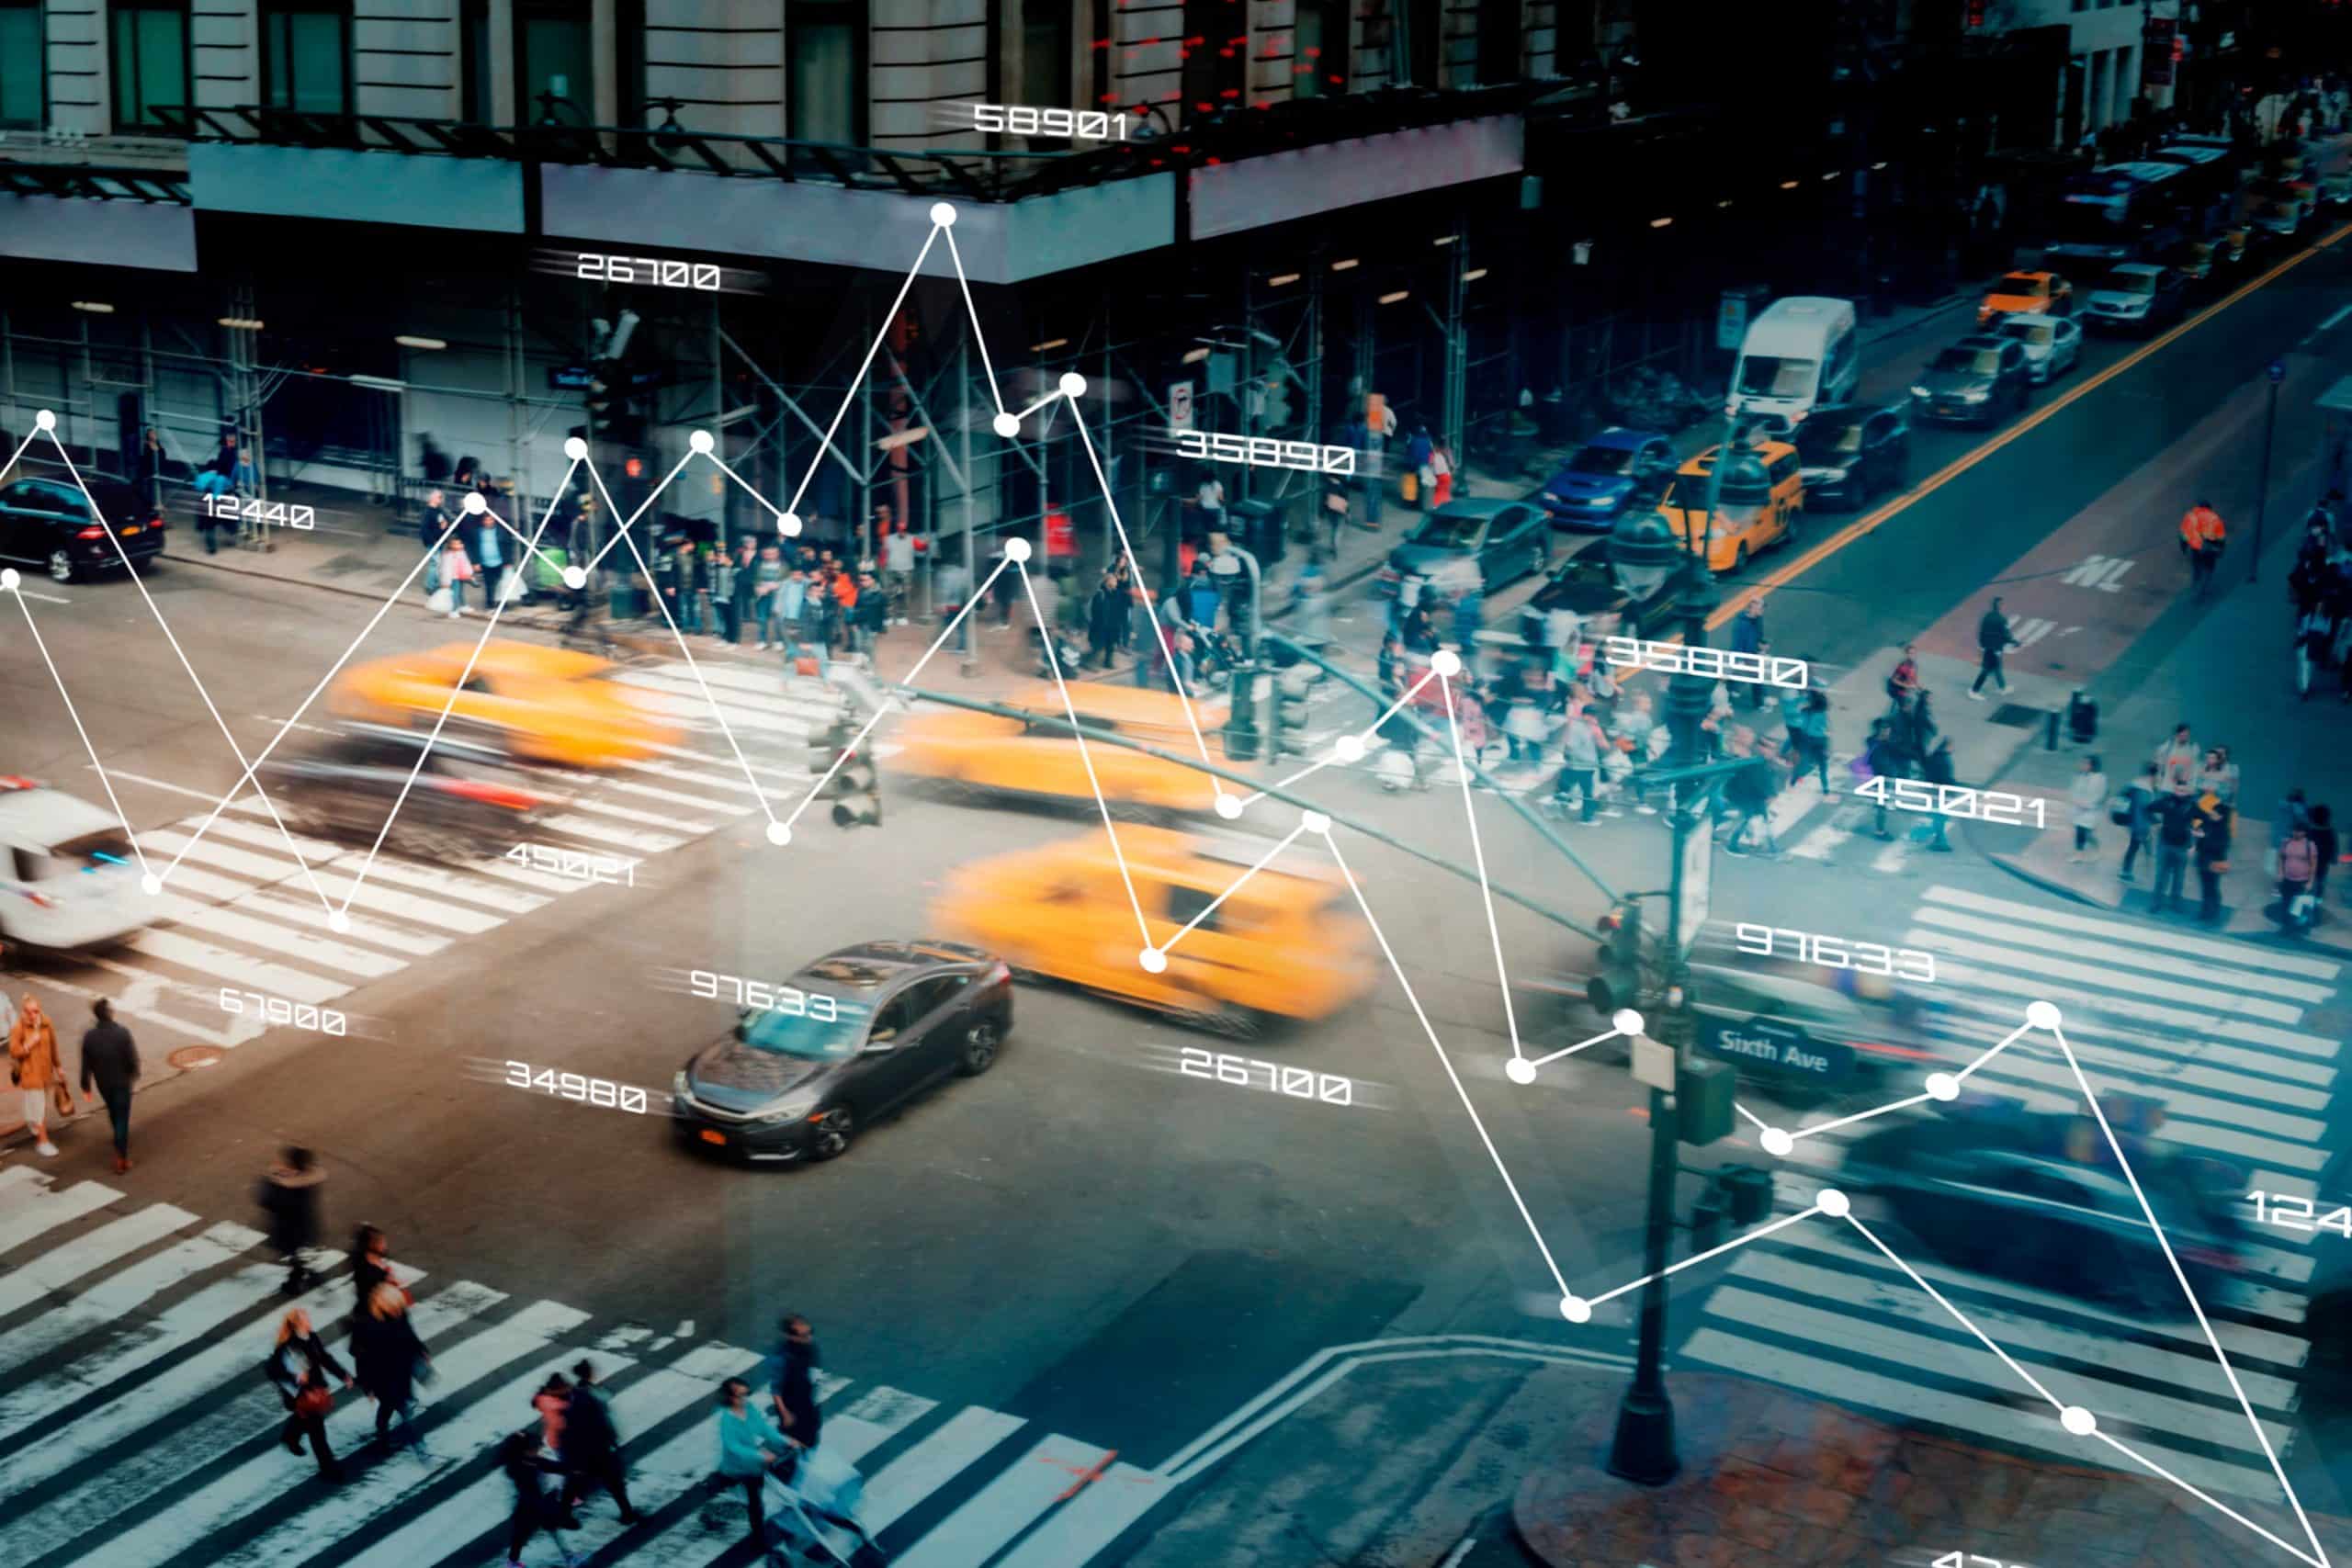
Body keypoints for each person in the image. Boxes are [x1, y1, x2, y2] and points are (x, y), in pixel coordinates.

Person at [268, 1306, 352, 1483]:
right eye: (306, 1319)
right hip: (301, 1393)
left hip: (315, 1389)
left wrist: (343, 1375)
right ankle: (328, 1468)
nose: (309, 1321)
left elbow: (324, 1358)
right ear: (297, 1324)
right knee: (317, 1431)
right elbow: (273, 1370)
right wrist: (295, 1377)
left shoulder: (312, 1337)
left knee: (304, 1418)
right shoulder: (288, 1347)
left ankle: (290, 1436)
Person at [715, 1375, 792, 1551]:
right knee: (754, 1501)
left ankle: (720, 1480)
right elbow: (733, 1447)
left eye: (746, 1394)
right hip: (739, 1464)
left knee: (755, 1497)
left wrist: (784, 1441)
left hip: (754, 1464)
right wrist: (760, 1456)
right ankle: (758, 1538)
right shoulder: (726, 1419)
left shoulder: (749, 1408)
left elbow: (764, 1429)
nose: (745, 1399)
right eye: (740, 1396)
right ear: (730, 1398)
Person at [560, 1359, 641, 1526]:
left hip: (587, 1448)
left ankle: (565, 1514)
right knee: (610, 1481)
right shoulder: (588, 1396)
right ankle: (627, 1513)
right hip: (595, 1447)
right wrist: (612, 1439)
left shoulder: (579, 1394)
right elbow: (600, 1422)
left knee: (579, 1482)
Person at [352, 1280, 431, 1451]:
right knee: (393, 1406)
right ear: (383, 1305)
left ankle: (392, 1432)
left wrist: (420, 1349)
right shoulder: (368, 1326)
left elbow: (409, 1333)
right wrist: (367, 1387)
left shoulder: (400, 1313)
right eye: (394, 1306)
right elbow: (362, 1359)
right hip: (383, 1377)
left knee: (399, 1404)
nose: (398, 1310)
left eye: (399, 1306)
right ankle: (411, 1442)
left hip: (402, 1369)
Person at [498, 1425, 576, 1568]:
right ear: (525, 1451)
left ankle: (513, 1562)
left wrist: (570, 1468)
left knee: (526, 1534)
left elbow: (550, 1466)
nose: (538, 1451)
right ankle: (569, 1557)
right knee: (523, 1534)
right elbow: (529, 1490)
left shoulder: (530, 1461)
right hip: (527, 1506)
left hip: (534, 1504)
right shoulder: (519, 1468)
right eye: (535, 1449)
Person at [77, 998, 139, 1173]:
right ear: (110, 1013)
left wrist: (86, 1087)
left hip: (103, 1083)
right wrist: (133, 1075)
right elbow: (131, 1059)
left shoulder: (89, 1037)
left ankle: (119, 1140)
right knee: (122, 1118)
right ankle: (121, 1157)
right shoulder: (122, 1033)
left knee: (113, 1112)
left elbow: (86, 1065)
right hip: (122, 1082)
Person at [260, 1147, 325, 1296]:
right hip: (305, 1226)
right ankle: (304, 1277)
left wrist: (275, 1180)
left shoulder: (287, 1187)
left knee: (294, 1256)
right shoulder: (309, 1181)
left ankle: (298, 1281)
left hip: (288, 1229)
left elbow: (268, 1201)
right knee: (298, 1255)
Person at [9, 993, 62, 1157]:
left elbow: (53, 1045)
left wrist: (58, 1066)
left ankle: (33, 1123)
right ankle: (43, 1141)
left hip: (45, 1072)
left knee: (37, 1105)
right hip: (30, 1074)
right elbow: (14, 1051)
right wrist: (29, 1044)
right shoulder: (19, 1027)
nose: (32, 1015)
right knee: (38, 1107)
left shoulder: (46, 1024)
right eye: (28, 1012)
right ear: (23, 1012)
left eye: (35, 1011)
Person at [767, 1314, 823, 1453]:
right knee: (792, 1440)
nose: (809, 1337)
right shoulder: (781, 1358)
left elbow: (812, 1372)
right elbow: (776, 1389)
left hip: (808, 1401)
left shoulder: (810, 1347)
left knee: (812, 1434)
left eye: (810, 1332)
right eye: (804, 1335)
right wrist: (785, 1413)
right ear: (790, 1336)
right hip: (792, 1405)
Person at [1549, 703, 1606, 824]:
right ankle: (1587, 817)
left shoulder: (1590, 725)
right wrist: (1587, 759)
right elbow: (1571, 747)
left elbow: (1599, 745)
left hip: (1584, 765)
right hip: (1581, 766)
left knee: (1566, 787)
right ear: (1585, 715)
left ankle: (1557, 807)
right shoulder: (1577, 727)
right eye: (1592, 715)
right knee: (1587, 792)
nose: (1594, 718)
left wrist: (1598, 736)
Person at [2151, 778, 2198, 913]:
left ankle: (2175, 903)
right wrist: (2155, 823)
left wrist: (2193, 843)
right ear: (2174, 790)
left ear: (2187, 791)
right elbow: (2149, 807)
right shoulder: (2167, 801)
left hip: (2182, 847)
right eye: (2178, 790)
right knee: (2161, 876)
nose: (2180, 793)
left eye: (2183, 791)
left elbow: (2202, 821)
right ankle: (2156, 903)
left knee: (2179, 877)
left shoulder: (2192, 805)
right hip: (2165, 844)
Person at [2195, 787, 2233, 925]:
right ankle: (2205, 911)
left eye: (2216, 813)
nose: (2213, 814)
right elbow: (2200, 836)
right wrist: (2199, 839)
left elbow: (2220, 847)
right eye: (2213, 812)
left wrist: (2204, 838)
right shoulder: (2208, 823)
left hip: (2214, 862)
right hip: (2203, 860)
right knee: (2206, 887)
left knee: (2212, 888)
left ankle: (2213, 912)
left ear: (2222, 816)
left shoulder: (2223, 831)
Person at [2117, 761, 2159, 881]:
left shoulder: (2135, 784)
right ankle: (2129, 871)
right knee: (2139, 847)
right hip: (2140, 825)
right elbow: (2145, 809)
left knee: (2136, 847)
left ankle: (2128, 870)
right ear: (2154, 775)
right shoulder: (2145, 790)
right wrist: (2153, 822)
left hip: (2134, 823)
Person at [1971, 596, 2018, 698]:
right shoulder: (2002, 620)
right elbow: (2005, 635)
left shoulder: (1986, 616)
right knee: (1987, 669)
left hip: (1988, 647)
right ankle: (1974, 691)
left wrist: (1982, 645)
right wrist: (2015, 642)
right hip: (1996, 648)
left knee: (1996, 667)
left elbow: (1981, 632)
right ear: (2000, 605)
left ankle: (2002, 687)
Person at [1917, 738, 1958, 851]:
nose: (1953, 749)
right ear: (1947, 746)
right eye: (1951, 746)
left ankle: (1938, 840)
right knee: (1940, 817)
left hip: (1932, 792)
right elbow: (1945, 778)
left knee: (1938, 816)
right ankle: (1938, 841)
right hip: (1941, 793)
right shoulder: (1944, 760)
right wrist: (1953, 788)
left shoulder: (1933, 757)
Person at [2068, 753, 2109, 863]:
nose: (2082, 765)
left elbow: (2101, 795)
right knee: (2084, 833)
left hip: (2090, 811)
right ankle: (2095, 850)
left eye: (2085, 763)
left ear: (2092, 765)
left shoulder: (2100, 778)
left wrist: (2089, 804)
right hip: (2079, 809)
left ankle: (2079, 855)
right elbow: (2074, 790)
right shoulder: (2080, 776)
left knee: (2082, 832)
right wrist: (2075, 800)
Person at [2180, 498, 2227, 593]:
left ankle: (2196, 586)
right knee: (2209, 568)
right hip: (2210, 548)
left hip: (2196, 548)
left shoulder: (2191, 518)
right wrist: (2221, 549)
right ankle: (2204, 587)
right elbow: (2221, 537)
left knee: (2197, 566)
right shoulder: (2215, 518)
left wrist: (2184, 547)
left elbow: (2184, 535)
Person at [1729, 600, 1768, 710]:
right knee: (1746, 676)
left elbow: (1759, 635)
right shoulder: (1741, 624)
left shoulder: (1758, 619)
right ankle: (1759, 703)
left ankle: (1760, 700)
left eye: (1763, 608)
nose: (1762, 611)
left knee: (1756, 677)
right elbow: (1738, 642)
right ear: (1752, 608)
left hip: (1753, 653)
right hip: (1744, 654)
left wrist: (1761, 645)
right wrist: (1739, 658)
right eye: (1760, 608)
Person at [2281, 821, 2321, 926]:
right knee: (2286, 904)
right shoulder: (2286, 842)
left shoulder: (2310, 846)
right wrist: (2280, 873)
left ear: (2304, 832)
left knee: (2298, 907)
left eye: (2299, 831)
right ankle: (2286, 927)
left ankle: (2297, 927)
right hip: (2288, 879)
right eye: (2294, 830)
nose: (2295, 833)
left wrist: (2310, 882)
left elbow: (2313, 864)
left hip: (2302, 881)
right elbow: (2281, 858)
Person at [2153, 722, 2198, 786]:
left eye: (2187, 735)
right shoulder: (2167, 747)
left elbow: (2194, 767)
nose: (2186, 737)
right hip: (2166, 784)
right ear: (2177, 734)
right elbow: (2157, 761)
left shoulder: (2192, 748)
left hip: (2183, 786)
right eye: (2183, 735)